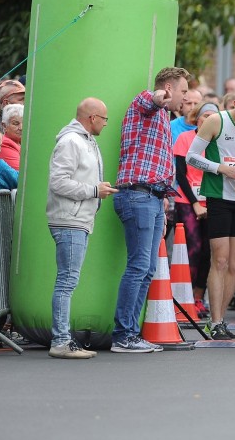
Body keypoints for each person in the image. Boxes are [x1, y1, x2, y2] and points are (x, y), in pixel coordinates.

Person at [112, 66, 190, 353]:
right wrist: (160, 97)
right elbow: (150, 99)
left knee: (145, 270)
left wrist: (164, 199)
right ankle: (123, 335)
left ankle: (130, 333)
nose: (184, 97)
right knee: (138, 266)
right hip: (138, 196)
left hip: (153, 198)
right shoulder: (145, 103)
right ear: (168, 88)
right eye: (181, 91)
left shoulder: (163, 117)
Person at [186, 85, 235, 340]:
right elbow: (191, 157)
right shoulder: (216, 121)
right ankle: (216, 320)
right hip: (218, 197)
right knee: (219, 260)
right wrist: (222, 169)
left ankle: (219, 321)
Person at [46, 98, 118, 358]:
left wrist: (96, 188)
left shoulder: (84, 141)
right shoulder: (72, 142)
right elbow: (58, 183)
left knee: (67, 281)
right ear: (92, 118)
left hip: (76, 219)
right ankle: (61, 341)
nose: (106, 124)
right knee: (66, 282)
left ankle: (62, 339)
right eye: (105, 119)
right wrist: (94, 190)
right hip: (70, 220)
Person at [173, 101, 220, 320]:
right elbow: (181, 174)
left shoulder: (219, 141)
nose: (207, 120)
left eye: (212, 116)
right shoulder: (185, 138)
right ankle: (185, 297)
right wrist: (195, 203)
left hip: (213, 200)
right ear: (197, 118)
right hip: (187, 201)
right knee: (192, 248)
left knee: (208, 252)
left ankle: (199, 297)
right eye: (204, 116)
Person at [0, 104, 23, 170]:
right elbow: (21, 174)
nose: (21, 128)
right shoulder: (4, 144)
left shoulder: (22, 142)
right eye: (15, 123)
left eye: (24, 123)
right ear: (4, 126)